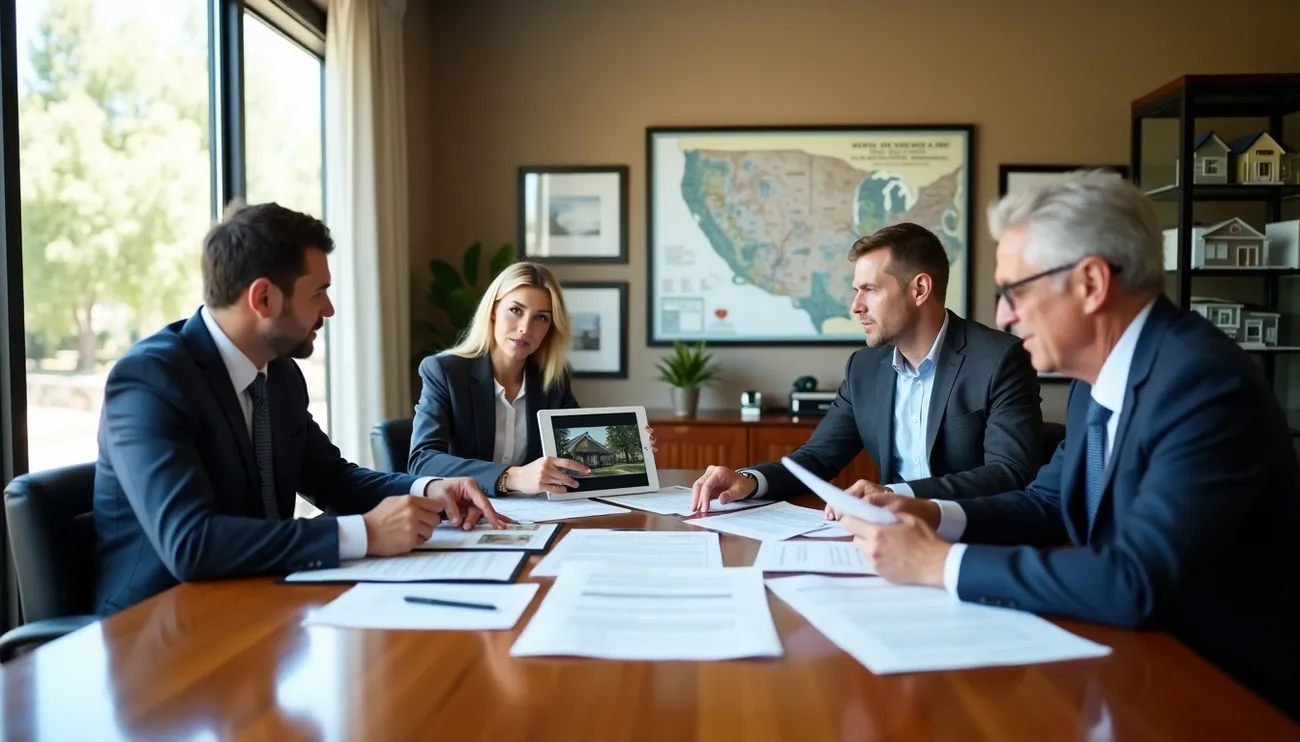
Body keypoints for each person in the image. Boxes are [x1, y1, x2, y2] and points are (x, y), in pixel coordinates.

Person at [841, 171, 1300, 721]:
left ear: (1090, 283)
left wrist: (940, 564)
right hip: (1133, 667)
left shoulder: (1201, 383)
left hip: (1220, 696)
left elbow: (1138, 579)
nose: (1005, 315)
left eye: (1016, 291)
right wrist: (930, 511)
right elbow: (1047, 501)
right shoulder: (1096, 381)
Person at [92, 201, 503, 615]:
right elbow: (192, 544)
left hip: (262, 603)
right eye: (319, 292)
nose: (329, 309)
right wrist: (364, 533)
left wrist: (428, 489)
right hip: (158, 628)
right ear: (264, 298)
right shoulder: (151, 380)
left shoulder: (280, 374)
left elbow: (332, 479)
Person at [691, 222, 1044, 513]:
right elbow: (817, 457)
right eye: (856, 290)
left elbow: (1009, 472)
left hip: (975, 532)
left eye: (869, 290)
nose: (855, 306)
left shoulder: (1000, 359)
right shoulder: (864, 368)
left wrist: (897, 495)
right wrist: (751, 480)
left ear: (919, 289)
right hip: (889, 538)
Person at [409, 262, 655, 496]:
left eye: (541, 318)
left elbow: (574, 454)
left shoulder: (553, 380)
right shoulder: (444, 372)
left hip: (535, 517)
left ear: (550, 328)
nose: (525, 328)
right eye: (516, 310)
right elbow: (423, 461)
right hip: (466, 515)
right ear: (493, 311)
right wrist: (512, 477)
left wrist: (634, 445)